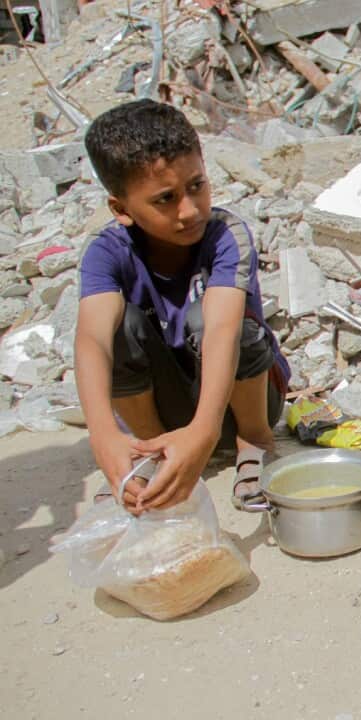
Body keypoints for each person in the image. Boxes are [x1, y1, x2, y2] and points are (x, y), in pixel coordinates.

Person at [75, 99, 289, 515]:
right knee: (119, 329)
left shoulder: (226, 235)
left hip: (238, 402)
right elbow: (92, 341)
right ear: (121, 209)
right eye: (165, 199)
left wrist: (205, 431)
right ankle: (154, 451)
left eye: (196, 186)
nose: (189, 210)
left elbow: (223, 331)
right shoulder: (106, 252)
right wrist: (103, 436)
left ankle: (255, 441)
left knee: (213, 319)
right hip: (166, 410)